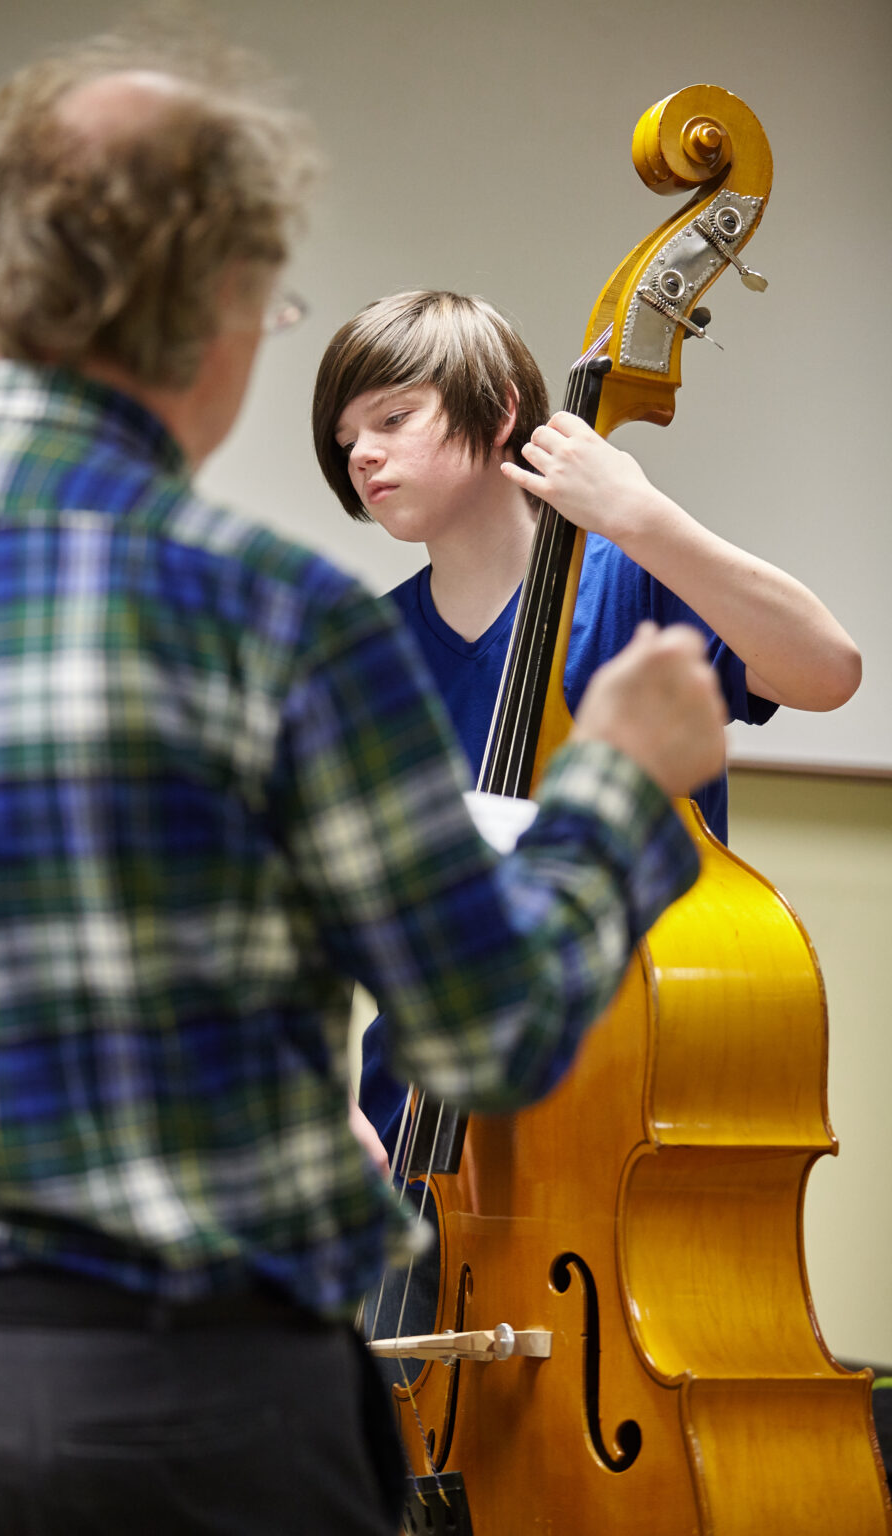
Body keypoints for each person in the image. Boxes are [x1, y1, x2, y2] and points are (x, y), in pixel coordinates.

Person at [0, 25, 732, 1536]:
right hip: (181, 1407)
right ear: (216, 300)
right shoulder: (279, 617)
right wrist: (616, 788)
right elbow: (490, 1023)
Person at [311, 288, 861, 1356]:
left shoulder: (636, 586)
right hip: (415, 1144)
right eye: (344, 439)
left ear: (501, 405)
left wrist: (641, 518)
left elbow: (827, 669)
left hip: (614, 1135)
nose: (362, 457)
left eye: (391, 417)